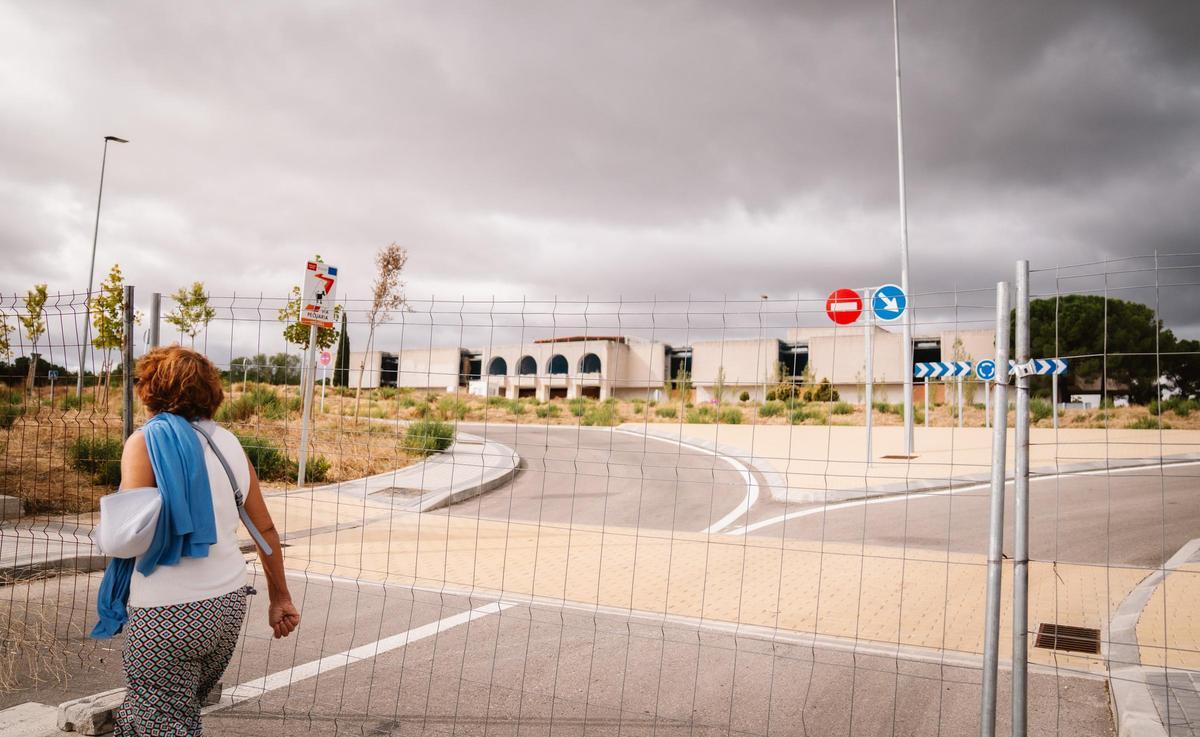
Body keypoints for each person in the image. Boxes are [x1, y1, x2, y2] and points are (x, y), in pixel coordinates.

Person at [93, 345, 299, 736]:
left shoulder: (145, 442)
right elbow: (265, 531)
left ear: (150, 389)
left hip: (166, 612)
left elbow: (125, 538)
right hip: (226, 607)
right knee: (163, 715)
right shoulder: (229, 443)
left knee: (163, 722)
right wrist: (280, 598)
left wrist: (104, 527)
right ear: (210, 391)